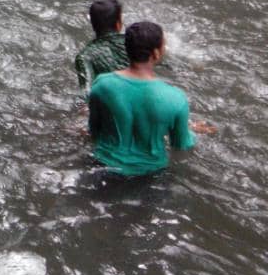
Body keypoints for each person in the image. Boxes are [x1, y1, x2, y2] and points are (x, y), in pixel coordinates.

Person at [88, 20, 214, 176]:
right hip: (150, 175)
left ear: (127, 49)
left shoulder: (102, 85)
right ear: (156, 53)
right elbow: (181, 146)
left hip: (103, 166)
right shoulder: (175, 98)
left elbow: (94, 130)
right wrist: (192, 132)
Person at [74, 0, 128, 91]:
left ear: (92, 24)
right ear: (118, 24)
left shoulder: (84, 56)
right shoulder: (134, 41)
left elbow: (86, 93)